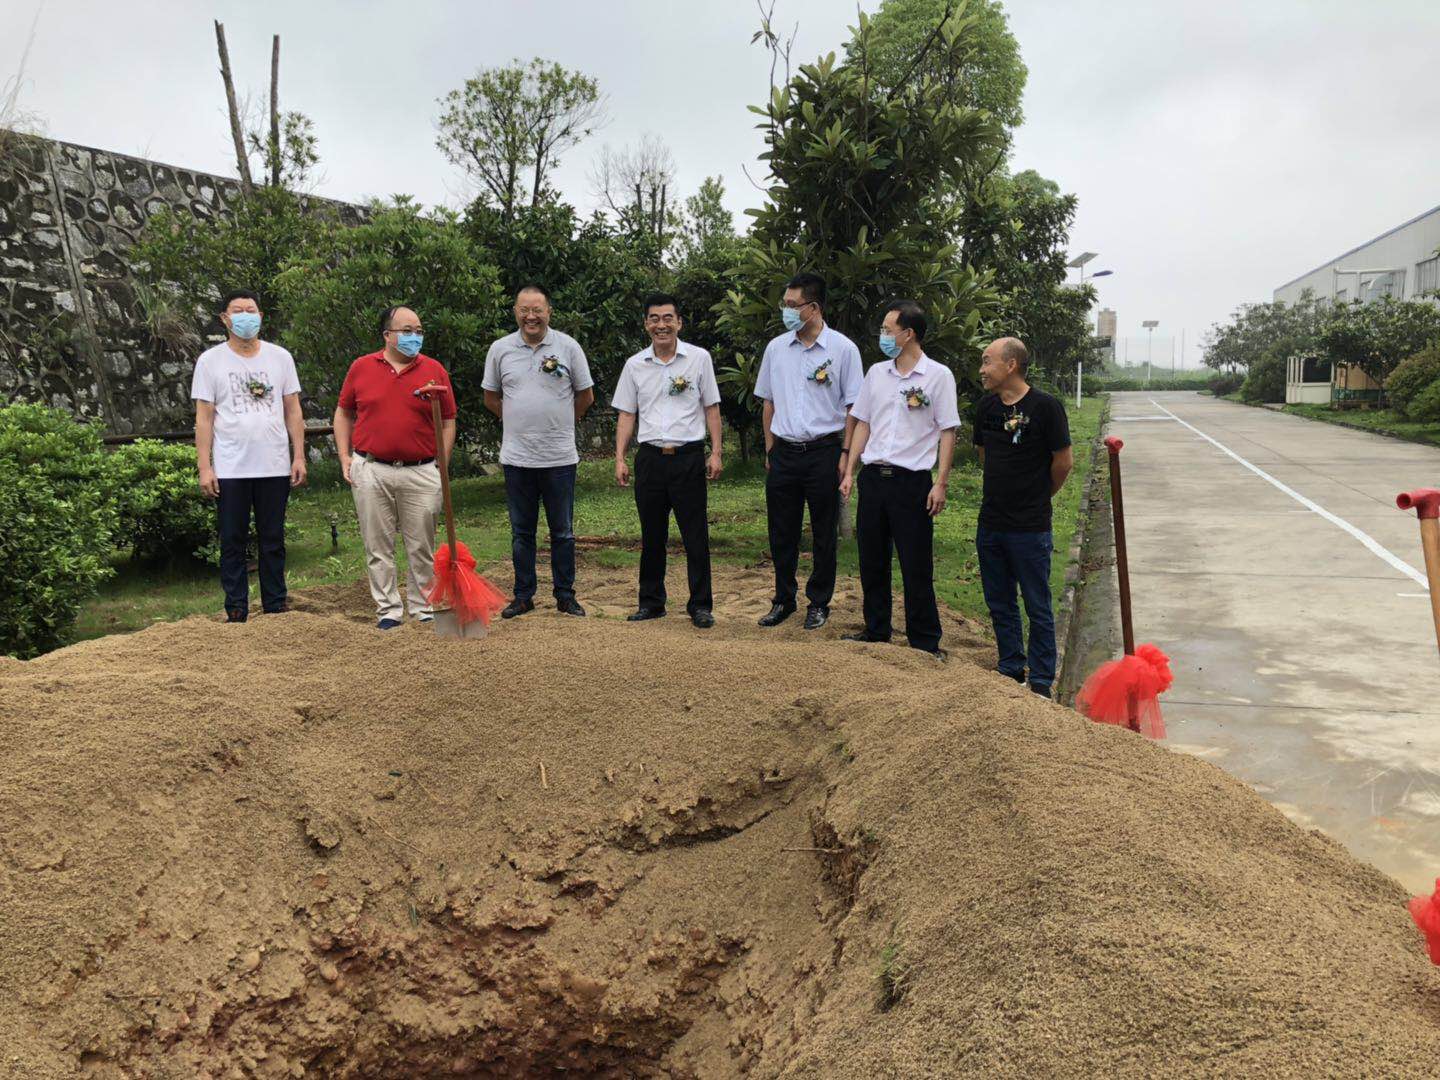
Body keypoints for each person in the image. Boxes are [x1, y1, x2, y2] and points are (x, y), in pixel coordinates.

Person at [839, 300, 960, 658]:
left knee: (915, 563)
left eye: (888, 330)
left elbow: (948, 431)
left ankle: (924, 640)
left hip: (912, 482)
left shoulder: (938, 376)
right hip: (874, 479)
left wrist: (941, 482)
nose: (883, 335)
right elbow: (863, 422)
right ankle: (876, 629)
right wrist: (850, 470)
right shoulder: (877, 373)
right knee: (872, 559)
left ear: (908, 334)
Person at [333, 305, 455, 630]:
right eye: (407, 331)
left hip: (422, 470)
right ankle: (388, 610)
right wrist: (344, 455)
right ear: (387, 335)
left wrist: (442, 462)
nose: (415, 336)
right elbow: (344, 412)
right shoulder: (361, 367)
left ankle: (423, 606)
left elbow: (448, 420)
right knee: (378, 545)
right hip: (372, 468)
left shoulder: (434, 369)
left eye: (419, 331)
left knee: (421, 545)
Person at [753, 272, 863, 631]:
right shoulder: (776, 349)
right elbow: (768, 402)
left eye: (792, 305)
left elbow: (854, 409)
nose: (786, 311)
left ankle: (819, 601)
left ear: (813, 308)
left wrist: (845, 455)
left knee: (823, 531)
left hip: (824, 451)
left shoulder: (843, 350)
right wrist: (770, 448)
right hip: (784, 451)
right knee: (781, 530)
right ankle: (783, 599)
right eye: (784, 304)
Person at [191, 288, 306, 623]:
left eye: (251, 310)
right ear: (225, 319)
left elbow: (292, 409)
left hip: (274, 464)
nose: (246, 316)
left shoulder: (280, 358)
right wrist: (205, 467)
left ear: (260, 316)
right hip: (231, 467)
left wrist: (298, 456)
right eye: (238, 311)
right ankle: (236, 607)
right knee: (232, 540)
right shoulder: (210, 361)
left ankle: (275, 604)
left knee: (273, 539)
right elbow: (204, 417)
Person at [483, 283, 595, 619]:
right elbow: (491, 397)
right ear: (515, 312)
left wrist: (560, 422)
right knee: (522, 532)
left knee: (562, 532)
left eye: (537, 310)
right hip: (517, 458)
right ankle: (523, 595)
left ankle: (565, 595)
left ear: (549, 312)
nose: (531, 316)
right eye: (524, 310)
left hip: (559, 457)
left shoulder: (568, 347)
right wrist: (516, 419)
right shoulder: (500, 349)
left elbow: (585, 396)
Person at [612, 292, 723, 628]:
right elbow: (627, 414)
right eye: (654, 319)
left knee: (695, 536)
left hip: (688, 458)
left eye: (667, 318)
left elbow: (711, 408)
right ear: (646, 324)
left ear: (679, 323)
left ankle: (700, 605)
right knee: (652, 535)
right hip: (650, 459)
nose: (661, 325)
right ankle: (651, 602)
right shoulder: (634, 365)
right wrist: (619, 457)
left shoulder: (699, 359)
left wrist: (716, 452)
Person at [972, 336, 1073, 697]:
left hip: (1030, 527)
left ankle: (1042, 680)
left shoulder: (1046, 407)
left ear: (1011, 364)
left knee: (1037, 604)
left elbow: (1063, 463)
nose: (982, 370)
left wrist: (1038, 495)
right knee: (999, 602)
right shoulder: (986, 407)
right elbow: (984, 454)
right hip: (991, 523)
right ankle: (1011, 666)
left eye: (988, 361)